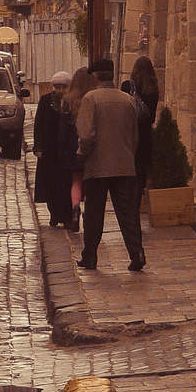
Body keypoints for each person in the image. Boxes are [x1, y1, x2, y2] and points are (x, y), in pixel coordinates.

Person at [76, 58, 145, 273]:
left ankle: (90, 256)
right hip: (124, 164)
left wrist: (82, 153)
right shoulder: (127, 100)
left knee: (94, 213)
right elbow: (135, 136)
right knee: (128, 213)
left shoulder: (91, 99)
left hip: (97, 165)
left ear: (95, 76)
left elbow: (86, 135)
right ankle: (137, 253)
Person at [33, 71, 73, 226]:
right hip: (49, 150)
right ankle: (54, 214)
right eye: (57, 87)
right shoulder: (45, 101)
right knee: (50, 184)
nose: (60, 90)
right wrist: (38, 147)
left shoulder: (71, 102)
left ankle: (67, 216)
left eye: (63, 87)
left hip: (66, 151)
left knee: (65, 184)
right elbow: (39, 124)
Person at [60, 65, 93, 232]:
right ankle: (88, 212)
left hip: (73, 146)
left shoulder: (67, 101)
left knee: (76, 180)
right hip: (90, 146)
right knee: (89, 181)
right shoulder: (93, 99)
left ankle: (74, 210)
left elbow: (63, 129)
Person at [129, 56, 160, 206]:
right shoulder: (154, 88)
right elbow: (152, 116)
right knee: (141, 169)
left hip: (130, 133)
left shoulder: (129, 87)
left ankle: (130, 201)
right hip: (146, 134)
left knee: (131, 168)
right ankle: (137, 199)